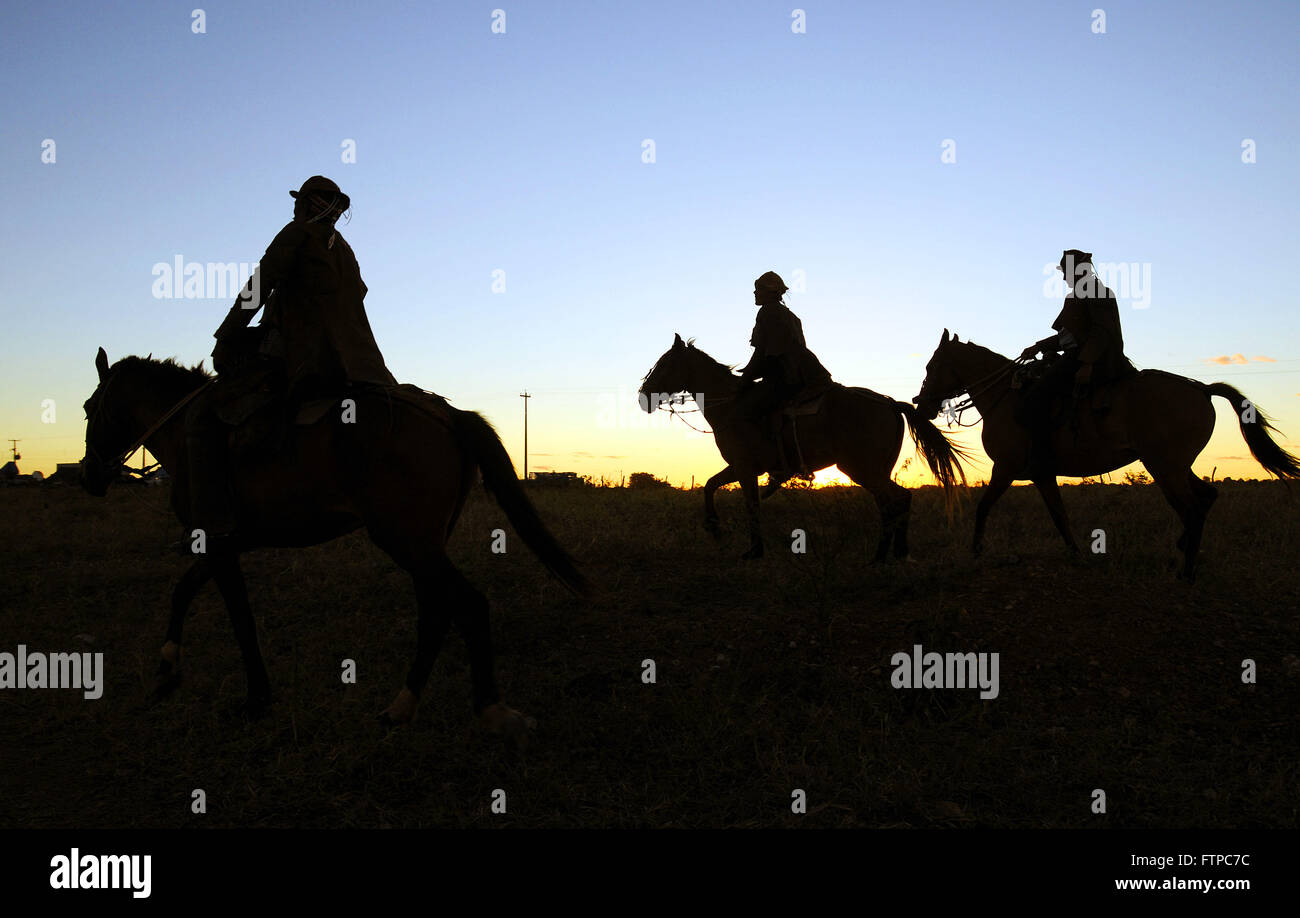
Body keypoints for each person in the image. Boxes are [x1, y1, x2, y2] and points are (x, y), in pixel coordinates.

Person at [182, 176, 396, 551]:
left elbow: (259, 286)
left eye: (300, 202)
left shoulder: (296, 234)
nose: (295, 208)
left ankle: (213, 527)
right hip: (362, 367)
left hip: (305, 361)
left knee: (202, 417)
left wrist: (227, 335)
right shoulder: (344, 250)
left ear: (309, 205)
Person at [1016, 249, 1134, 476]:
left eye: (1066, 272)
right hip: (1078, 355)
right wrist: (1039, 346)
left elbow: (1101, 332)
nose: (1063, 277)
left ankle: (1042, 460)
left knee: (1036, 398)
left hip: (1093, 358)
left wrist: (1087, 363)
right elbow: (1069, 336)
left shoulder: (1096, 291)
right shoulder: (1079, 294)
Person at [734, 271, 832, 446]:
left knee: (744, 412)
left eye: (758, 289)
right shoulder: (791, 316)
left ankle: (767, 453)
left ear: (770, 292)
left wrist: (745, 379)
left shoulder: (767, 312)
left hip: (784, 376)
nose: (755, 293)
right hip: (805, 374)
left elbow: (762, 352)